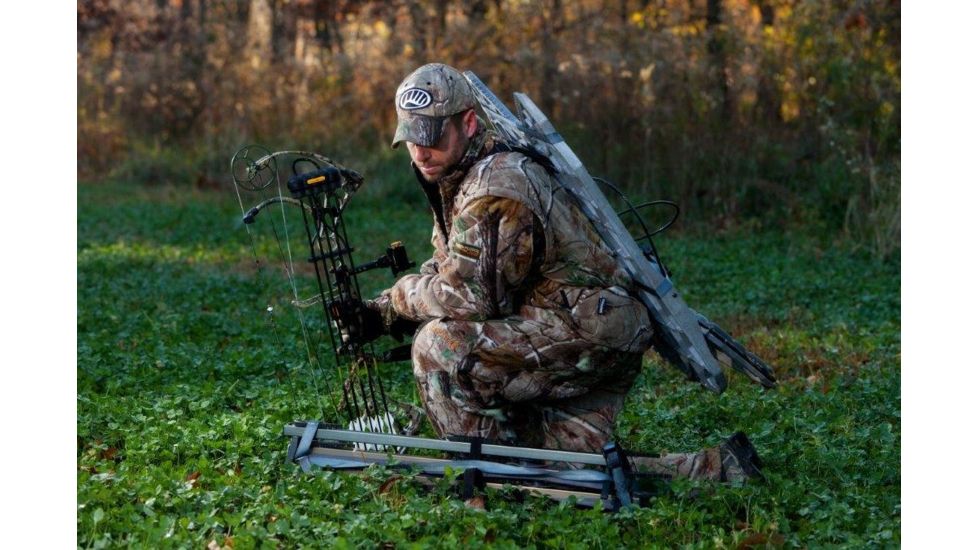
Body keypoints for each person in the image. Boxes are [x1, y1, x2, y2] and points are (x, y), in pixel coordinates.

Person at [365, 63, 761, 482]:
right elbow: (453, 263)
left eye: (432, 137)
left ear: (468, 123)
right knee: (569, 475)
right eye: (411, 139)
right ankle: (718, 470)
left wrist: (397, 300)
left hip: (582, 333)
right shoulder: (462, 172)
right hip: (590, 325)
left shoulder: (496, 187)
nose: (421, 152)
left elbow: (474, 297)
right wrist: (382, 308)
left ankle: (486, 477)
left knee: (439, 345)